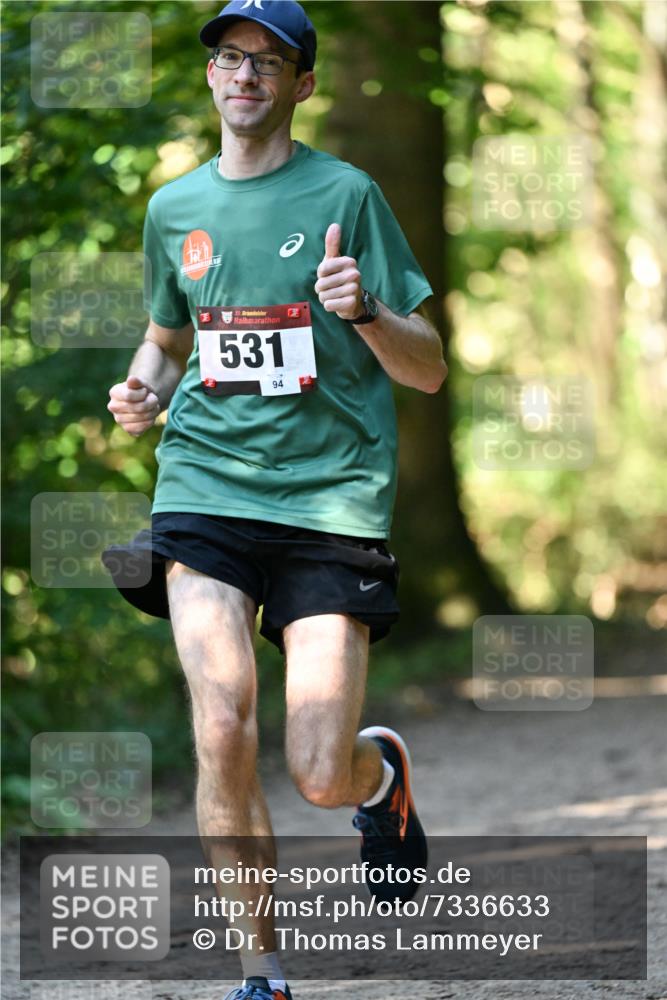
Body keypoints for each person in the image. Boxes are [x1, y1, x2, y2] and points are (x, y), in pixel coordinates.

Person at [104, 1, 447, 997]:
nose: (244, 74)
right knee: (220, 721)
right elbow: (171, 338)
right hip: (205, 486)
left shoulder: (347, 192)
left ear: (301, 84)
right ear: (210, 77)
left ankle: (375, 780)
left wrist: (369, 311)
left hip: (330, 503)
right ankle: (262, 971)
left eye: (269, 61)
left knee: (312, 765)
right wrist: (144, 390)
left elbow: (425, 371)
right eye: (228, 57)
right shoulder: (174, 208)